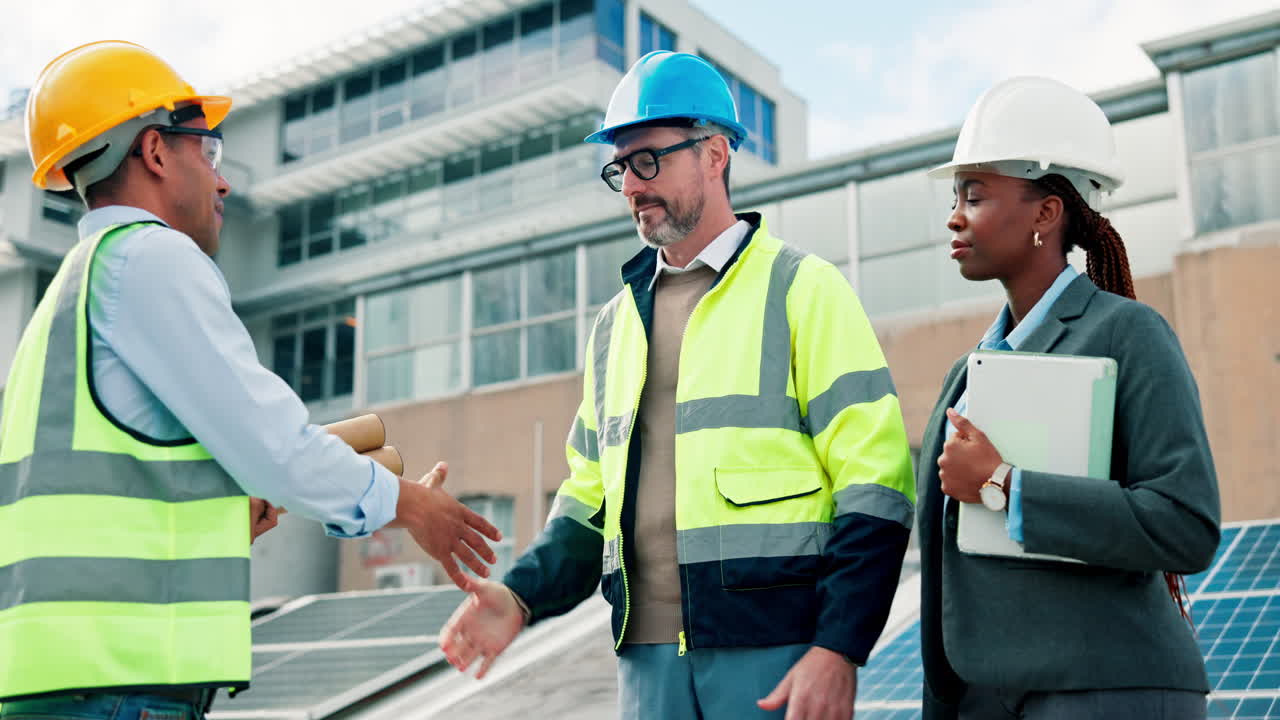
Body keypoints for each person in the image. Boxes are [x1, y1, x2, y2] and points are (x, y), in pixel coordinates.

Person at [0, 40, 501, 720]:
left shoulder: (66, 298)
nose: (223, 179)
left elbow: (109, 508)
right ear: (154, 151)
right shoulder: (150, 260)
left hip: (59, 682)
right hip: (118, 689)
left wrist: (220, 515)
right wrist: (410, 504)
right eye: (208, 152)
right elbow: (274, 447)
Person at [439, 51, 915, 720]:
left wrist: (839, 646)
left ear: (715, 154)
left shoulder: (804, 291)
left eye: (648, 160)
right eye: (620, 168)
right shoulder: (614, 325)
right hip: (646, 660)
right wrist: (519, 595)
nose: (632, 185)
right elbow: (588, 502)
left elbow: (878, 485)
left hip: (778, 654)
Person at [917, 76, 1221, 719]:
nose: (954, 216)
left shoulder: (1129, 333)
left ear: (1045, 213)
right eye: (955, 197)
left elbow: (1184, 523)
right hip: (991, 700)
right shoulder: (966, 374)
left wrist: (1004, 485)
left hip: (1111, 692)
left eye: (974, 196)